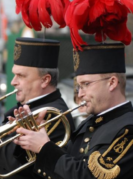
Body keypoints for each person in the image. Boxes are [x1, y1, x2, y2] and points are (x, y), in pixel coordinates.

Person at [0, 37, 75, 179]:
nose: (13, 82)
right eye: (14, 74)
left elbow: (15, 167)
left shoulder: (53, 114)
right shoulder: (23, 108)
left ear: (45, 80)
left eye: (21, 76)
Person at [14, 43, 133, 179]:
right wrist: (30, 140)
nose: (80, 94)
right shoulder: (89, 123)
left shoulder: (128, 129)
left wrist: (44, 147)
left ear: (112, 83)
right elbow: (62, 167)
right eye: (78, 87)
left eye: (86, 84)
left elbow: (88, 176)